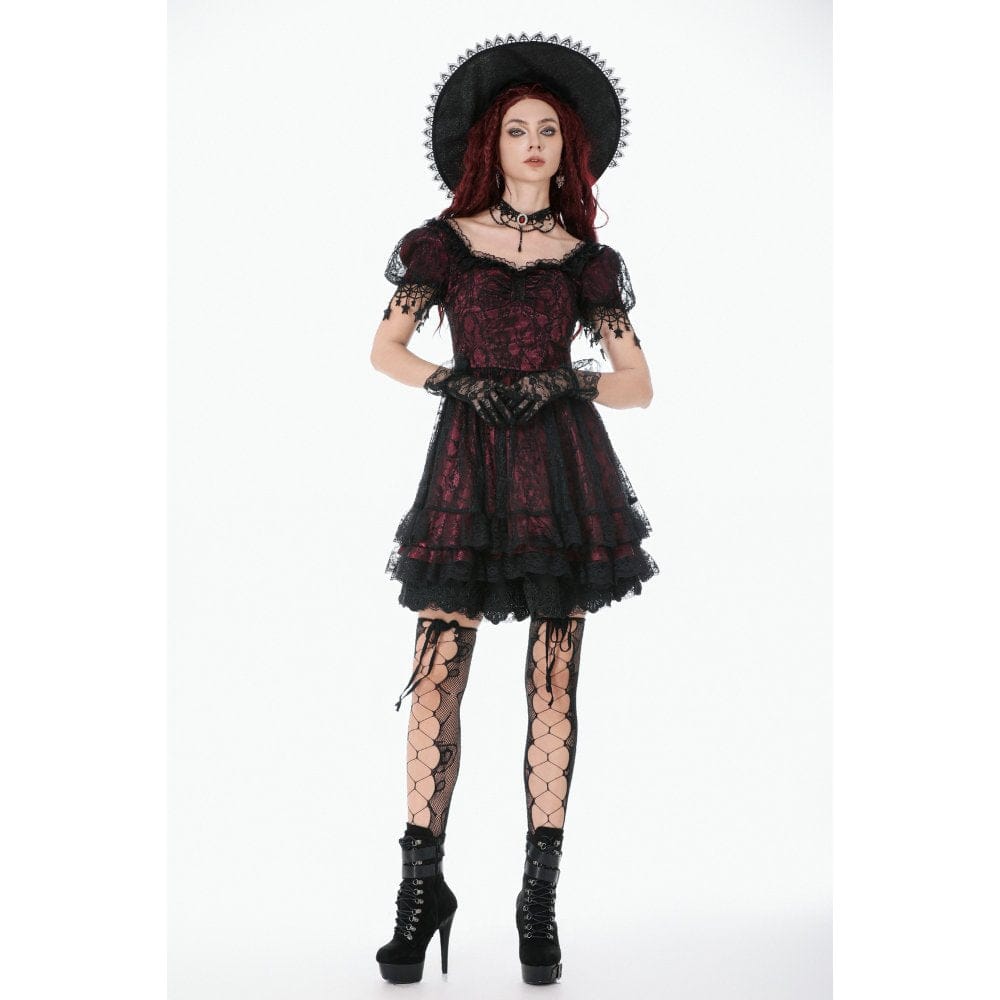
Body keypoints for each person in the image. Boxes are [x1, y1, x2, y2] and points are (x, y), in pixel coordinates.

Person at [369, 33, 658, 986]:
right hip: (466, 474)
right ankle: (421, 893)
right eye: (516, 129)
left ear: (569, 147)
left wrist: (564, 381)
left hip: (564, 477)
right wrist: (455, 380)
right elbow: (384, 351)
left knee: (553, 685)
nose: (532, 143)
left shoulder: (588, 261)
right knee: (437, 674)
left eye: (548, 131)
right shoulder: (443, 244)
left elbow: (638, 384)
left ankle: (538, 904)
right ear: (488, 145)